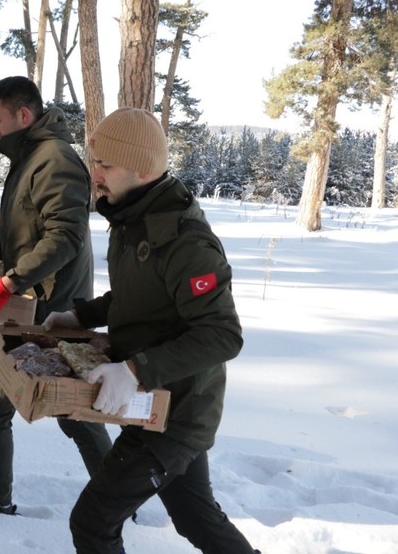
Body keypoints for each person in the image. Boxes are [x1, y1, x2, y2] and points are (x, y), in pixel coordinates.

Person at [43, 107, 258, 553]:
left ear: (142, 168)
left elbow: (222, 334)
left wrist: (135, 370)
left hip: (176, 411)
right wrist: (83, 317)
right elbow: (141, 296)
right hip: (152, 401)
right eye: (94, 161)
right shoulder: (130, 215)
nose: (94, 174)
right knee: (197, 519)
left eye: (105, 165)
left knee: (93, 522)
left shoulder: (186, 241)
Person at [0, 76, 112, 515]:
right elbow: (26, 232)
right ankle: (119, 497)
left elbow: (63, 239)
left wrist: (7, 283)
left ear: (24, 114)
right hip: (36, 302)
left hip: (52, 310)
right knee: (71, 410)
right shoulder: (31, 157)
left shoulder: (54, 159)